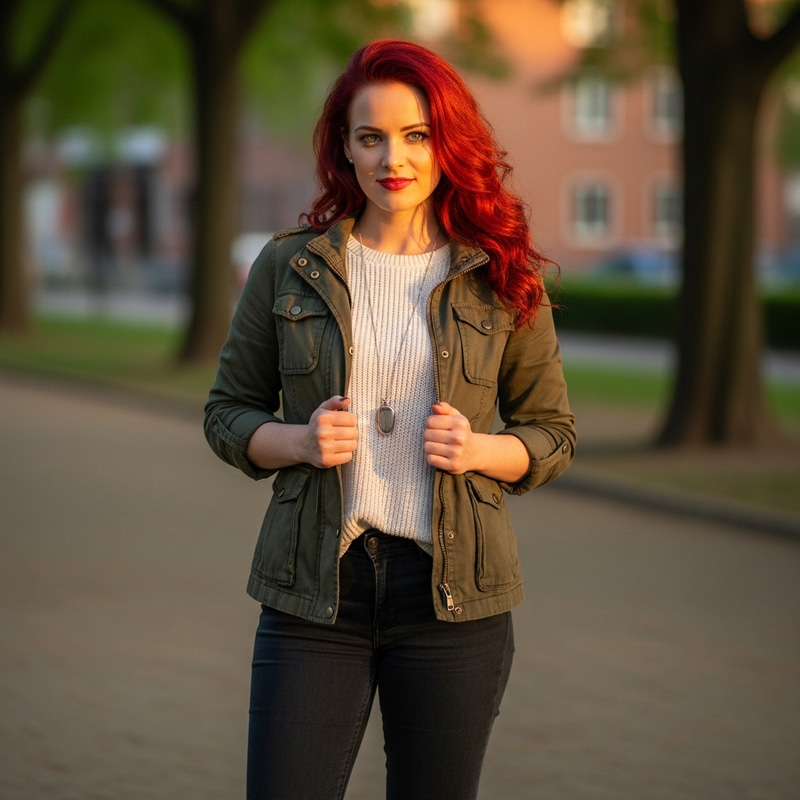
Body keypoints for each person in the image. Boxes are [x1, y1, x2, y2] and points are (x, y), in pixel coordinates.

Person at [204, 38, 576, 800]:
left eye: (415, 134)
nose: (392, 157)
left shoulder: (500, 275)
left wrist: (481, 451)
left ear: (447, 141)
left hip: (452, 597)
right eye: (370, 136)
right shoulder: (290, 265)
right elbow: (227, 414)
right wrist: (299, 441)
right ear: (344, 147)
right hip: (315, 590)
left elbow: (552, 434)